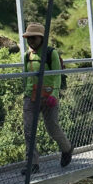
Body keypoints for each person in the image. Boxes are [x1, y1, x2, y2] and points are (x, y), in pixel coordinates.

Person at [21, 22, 73, 174]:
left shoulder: (51, 53)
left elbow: (56, 75)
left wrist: (54, 95)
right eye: (28, 38)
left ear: (42, 38)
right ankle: (33, 163)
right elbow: (26, 77)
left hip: (48, 97)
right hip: (31, 97)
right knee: (29, 130)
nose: (30, 41)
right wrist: (26, 92)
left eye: (34, 38)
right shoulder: (27, 56)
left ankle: (67, 148)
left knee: (52, 128)